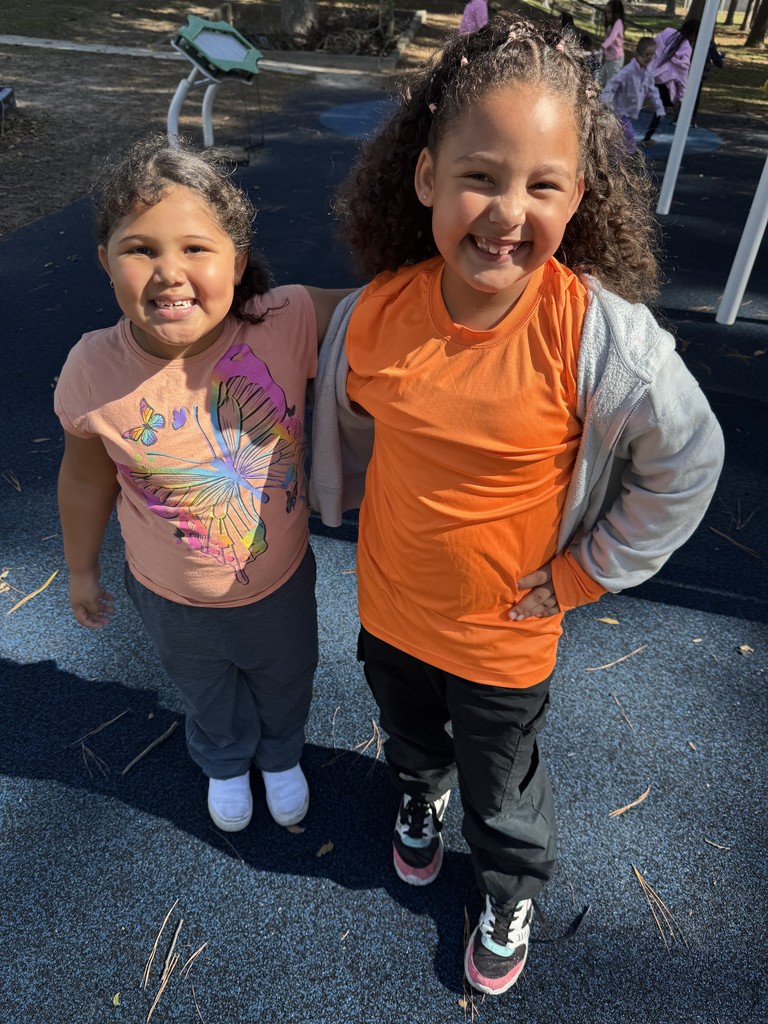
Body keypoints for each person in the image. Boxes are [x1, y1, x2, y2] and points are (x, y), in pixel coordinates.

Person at [311, 14, 724, 997]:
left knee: (503, 786)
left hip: (505, 636)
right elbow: (350, 408)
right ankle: (419, 791)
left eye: (542, 185)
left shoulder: (594, 339)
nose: (507, 211)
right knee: (411, 735)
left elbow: (689, 458)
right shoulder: (378, 315)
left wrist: (587, 572)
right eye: (481, 175)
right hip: (392, 610)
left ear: (577, 197)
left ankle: (507, 888)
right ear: (426, 178)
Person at [54, 134, 350, 834]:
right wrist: (80, 569)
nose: (169, 271)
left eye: (195, 247)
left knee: (286, 676)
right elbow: (85, 479)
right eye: (140, 249)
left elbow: (389, 310)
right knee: (203, 687)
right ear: (105, 262)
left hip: (278, 582)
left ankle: (281, 753)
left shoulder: (285, 320)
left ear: (236, 262)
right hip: (169, 596)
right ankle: (223, 757)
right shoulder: (92, 369)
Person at [601, 36, 665, 154]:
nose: (649, 58)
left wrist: (659, 107)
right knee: (629, 138)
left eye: (652, 55)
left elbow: (652, 90)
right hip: (619, 111)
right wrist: (604, 100)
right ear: (638, 54)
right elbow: (612, 84)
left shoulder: (646, 72)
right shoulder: (628, 71)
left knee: (619, 139)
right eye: (647, 54)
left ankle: (616, 156)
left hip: (628, 111)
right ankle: (628, 157)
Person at [643, 18, 700, 143]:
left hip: (653, 74)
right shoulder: (686, 47)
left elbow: (655, 43)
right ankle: (647, 137)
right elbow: (683, 72)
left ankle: (636, 129)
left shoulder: (669, 32)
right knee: (660, 109)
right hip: (666, 81)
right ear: (694, 33)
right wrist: (681, 95)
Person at [598, 0, 625, 86]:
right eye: (606, 12)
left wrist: (603, 46)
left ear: (615, 13)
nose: (607, 15)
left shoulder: (618, 23)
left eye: (609, 12)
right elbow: (608, 39)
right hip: (608, 59)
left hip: (616, 60)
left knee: (610, 84)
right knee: (598, 81)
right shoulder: (610, 26)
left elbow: (612, 37)